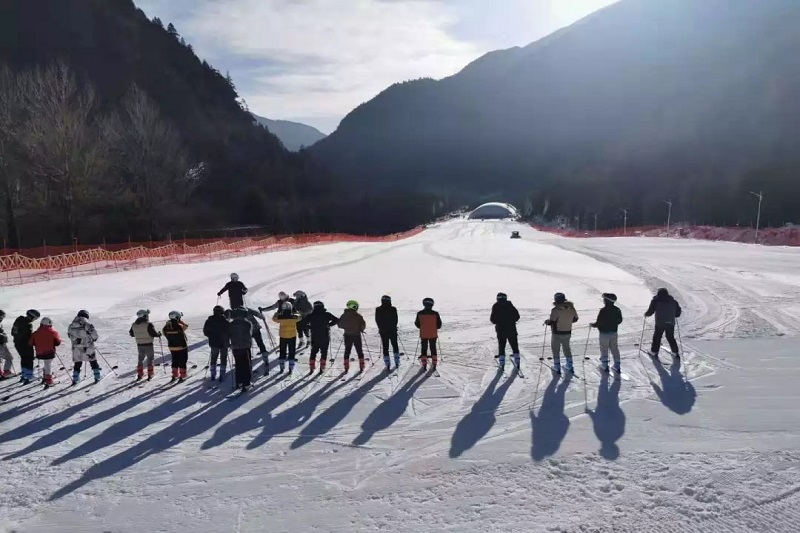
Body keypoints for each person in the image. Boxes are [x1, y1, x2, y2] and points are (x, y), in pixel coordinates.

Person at [300, 301, 339, 373]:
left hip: (315, 335)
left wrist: (310, 327)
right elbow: (336, 320)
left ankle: (312, 366)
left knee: (313, 351)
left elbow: (302, 323)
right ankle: (322, 367)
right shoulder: (327, 314)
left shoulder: (311, 315)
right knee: (324, 352)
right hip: (325, 335)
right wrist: (329, 325)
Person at [544, 292, 579, 375]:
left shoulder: (555, 310)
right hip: (567, 331)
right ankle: (569, 365)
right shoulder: (571, 308)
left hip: (557, 332)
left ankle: (557, 366)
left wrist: (547, 322)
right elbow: (575, 319)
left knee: (555, 349)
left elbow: (552, 321)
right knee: (567, 348)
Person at [591, 293, 624, 374]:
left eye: (604, 299)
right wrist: (613, 323)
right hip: (613, 332)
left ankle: (604, 365)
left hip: (604, 333)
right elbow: (620, 320)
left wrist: (593, 325)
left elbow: (599, 322)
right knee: (614, 348)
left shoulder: (603, 311)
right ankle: (617, 365)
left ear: (606, 301)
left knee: (604, 348)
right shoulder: (617, 309)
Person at [645, 288, 682, 358]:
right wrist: (675, 314)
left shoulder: (655, 301)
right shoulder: (673, 301)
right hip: (670, 322)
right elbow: (678, 312)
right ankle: (675, 351)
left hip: (660, 322)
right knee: (670, 336)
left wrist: (646, 314)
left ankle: (654, 351)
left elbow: (651, 311)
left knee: (657, 336)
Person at [67, 310, 101, 385]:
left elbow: (69, 335)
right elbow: (94, 334)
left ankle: (75, 378)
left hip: (76, 347)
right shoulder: (87, 324)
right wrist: (93, 339)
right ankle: (97, 376)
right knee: (93, 361)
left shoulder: (71, 325)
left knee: (77, 363)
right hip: (87, 346)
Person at [490, 292, 521, 371]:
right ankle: (517, 360)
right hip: (512, 329)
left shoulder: (496, 306)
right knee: (514, 345)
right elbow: (517, 316)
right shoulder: (510, 305)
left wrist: (499, 322)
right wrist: (511, 321)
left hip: (501, 330)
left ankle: (502, 362)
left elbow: (492, 319)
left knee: (501, 346)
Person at [129, 309, 161, 381]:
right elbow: (153, 333)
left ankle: (140, 374)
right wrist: (158, 334)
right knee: (150, 358)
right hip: (148, 344)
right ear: (145, 316)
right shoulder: (148, 324)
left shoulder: (134, 325)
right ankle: (150, 374)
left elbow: (131, 334)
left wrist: (139, 334)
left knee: (140, 359)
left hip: (139, 344)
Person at [29, 317, 61, 388]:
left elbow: (30, 343)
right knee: (48, 364)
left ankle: (45, 377)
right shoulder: (53, 333)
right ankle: (49, 380)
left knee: (46, 364)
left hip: (39, 353)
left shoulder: (35, 333)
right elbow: (58, 343)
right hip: (49, 353)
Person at [228, 307, 254, 390]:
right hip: (245, 346)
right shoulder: (247, 323)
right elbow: (249, 334)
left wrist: (229, 344)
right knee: (246, 365)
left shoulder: (231, 324)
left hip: (235, 347)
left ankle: (239, 382)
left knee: (238, 364)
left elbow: (228, 335)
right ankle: (246, 383)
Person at [12, 309, 40, 384]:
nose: (34, 320)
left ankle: (24, 376)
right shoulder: (28, 325)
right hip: (25, 345)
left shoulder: (19, 320)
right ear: (31, 317)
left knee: (24, 359)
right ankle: (28, 376)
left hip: (17, 343)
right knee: (29, 360)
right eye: (34, 318)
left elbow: (13, 332)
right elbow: (29, 337)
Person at [338, 300, 366, 373]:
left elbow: (339, 325)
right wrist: (361, 329)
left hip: (347, 335)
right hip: (357, 335)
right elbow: (363, 325)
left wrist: (346, 327)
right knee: (359, 350)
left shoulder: (344, 315)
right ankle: (361, 365)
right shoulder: (358, 316)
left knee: (347, 351)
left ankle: (346, 366)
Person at [203, 305, 230, 382]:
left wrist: (211, 336)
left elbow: (205, 332)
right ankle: (222, 373)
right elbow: (229, 331)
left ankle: (212, 373)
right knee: (223, 357)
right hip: (224, 342)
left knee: (213, 357)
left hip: (213, 342)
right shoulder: (225, 321)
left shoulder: (209, 320)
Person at [272, 302, 300, 374]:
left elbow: (274, 319)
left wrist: (277, 313)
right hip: (292, 336)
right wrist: (296, 312)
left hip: (283, 336)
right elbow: (300, 317)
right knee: (292, 351)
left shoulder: (280, 317)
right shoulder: (294, 317)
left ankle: (282, 367)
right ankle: (291, 367)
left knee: (282, 351)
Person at [415, 297, 442, 372]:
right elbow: (439, 325)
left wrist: (423, 326)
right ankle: (434, 363)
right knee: (433, 347)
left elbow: (417, 324)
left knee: (424, 348)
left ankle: (424, 364)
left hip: (423, 333)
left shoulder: (419, 313)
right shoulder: (435, 314)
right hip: (433, 333)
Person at [375, 295, 400, 371]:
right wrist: (394, 326)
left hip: (383, 331)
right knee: (395, 345)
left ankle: (387, 363)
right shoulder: (393, 309)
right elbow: (395, 319)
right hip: (392, 330)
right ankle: (397, 361)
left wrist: (380, 328)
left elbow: (377, 320)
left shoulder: (378, 309)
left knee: (385, 347)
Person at [163, 311, 189, 382]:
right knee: (183, 360)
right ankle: (183, 375)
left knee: (174, 360)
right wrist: (181, 322)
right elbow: (186, 326)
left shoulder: (166, 326)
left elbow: (164, 333)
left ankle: (174, 375)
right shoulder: (179, 325)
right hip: (181, 346)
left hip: (172, 347)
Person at [0, 310, 15, 379]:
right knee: (9, 357)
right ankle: (7, 371)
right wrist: (2, 336)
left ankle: (1, 373)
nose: (2, 318)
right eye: (2, 316)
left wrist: (3, 334)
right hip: (0, 344)